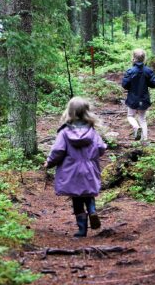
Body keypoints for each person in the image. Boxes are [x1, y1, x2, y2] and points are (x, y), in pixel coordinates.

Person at [43, 97, 107, 238]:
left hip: (71, 170)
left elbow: (58, 151)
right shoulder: (92, 131)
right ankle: (92, 210)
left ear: (70, 112)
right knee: (88, 194)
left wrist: (49, 162)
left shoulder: (64, 132)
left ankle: (81, 230)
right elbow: (101, 148)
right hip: (89, 168)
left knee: (77, 199)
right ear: (86, 112)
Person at [121, 48, 155, 142]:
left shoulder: (130, 71)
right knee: (142, 119)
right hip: (144, 99)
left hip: (132, 99)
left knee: (130, 116)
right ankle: (145, 140)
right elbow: (154, 84)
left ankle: (136, 129)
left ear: (133, 58)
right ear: (144, 59)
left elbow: (125, 85)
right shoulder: (148, 71)